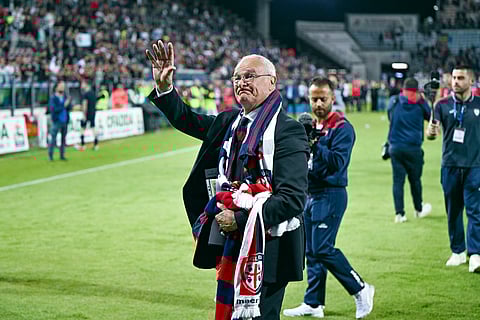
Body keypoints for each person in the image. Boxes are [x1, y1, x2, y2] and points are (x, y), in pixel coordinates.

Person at [145, 40, 309, 319]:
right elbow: (186, 119)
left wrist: (241, 220)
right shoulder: (229, 123)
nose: (242, 82)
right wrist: (164, 88)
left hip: (270, 246)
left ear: (272, 83)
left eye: (250, 76)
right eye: (237, 77)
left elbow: (292, 199)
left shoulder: (288, 131)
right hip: (230, 242)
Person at [283, 77, 374, 319]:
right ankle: (313, 302)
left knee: (323, 248)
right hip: (310, 194)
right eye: (314, 99)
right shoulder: (310, 125)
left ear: (333, 98)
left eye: (323, 98)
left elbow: (338, 163)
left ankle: (361, 288)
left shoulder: (342, 127)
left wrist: (314, 143)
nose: (319, 103)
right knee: (311, 251)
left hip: (331, 194)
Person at [426, 65, 480, 273]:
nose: (455, 81)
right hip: (449, 165)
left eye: (460, 78)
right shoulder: (442, 105)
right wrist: (431, 131)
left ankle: (475, 254)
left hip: (475, 166)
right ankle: (457, 251)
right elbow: (432, 133)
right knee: (453, 210)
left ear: (471, 81)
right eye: (454, 78)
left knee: (475, 211)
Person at [387, 77, 432, 223]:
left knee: (397, 182)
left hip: (396, 147)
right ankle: (418, 209)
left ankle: (399, 214)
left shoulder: (394, 101)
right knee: (415, 181)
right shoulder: (420, 104)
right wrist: (423, 100)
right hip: (413, 148)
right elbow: (430, 116)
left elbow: (390, 116)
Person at [47, 81, 71, 161]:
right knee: (53, 138)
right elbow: (53, 109)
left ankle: (62, 155)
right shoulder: (53, 98)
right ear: (57, 87)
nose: (63, 88)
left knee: (63, 139)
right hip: (57, 121)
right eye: (61, 86)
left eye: (63, 86)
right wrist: (63, 105)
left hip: (64, 120)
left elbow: (68, 108)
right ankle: (50, 155)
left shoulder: (65, 97)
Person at [78, 80, 100, 151]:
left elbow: (85, 105)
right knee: (93, 127)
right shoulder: (93, 93)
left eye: (83, 83)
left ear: (86, 85)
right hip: (93, 112)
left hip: (87, 113)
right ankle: (96, 144)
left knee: (82, 128)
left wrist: (84, 114)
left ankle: (83, 144)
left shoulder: (85, 94)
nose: (81, 85)